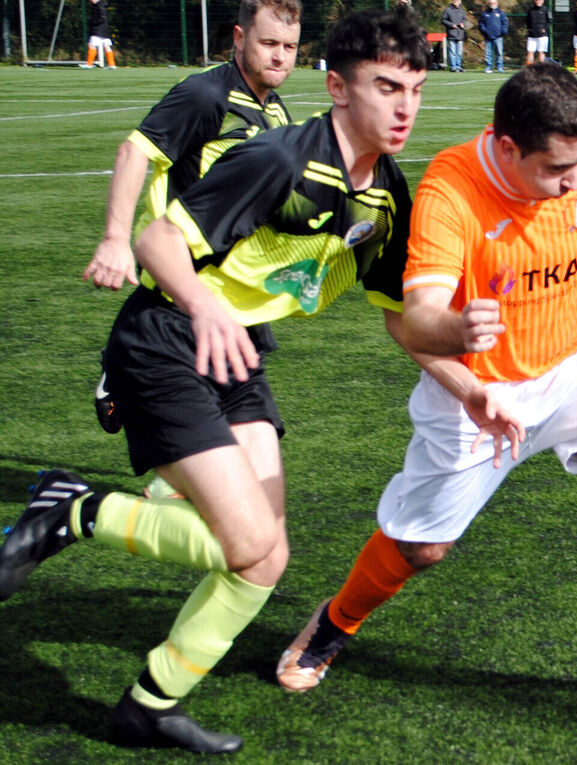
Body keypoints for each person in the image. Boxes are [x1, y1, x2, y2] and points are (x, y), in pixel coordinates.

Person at [0, 8, 444, 754]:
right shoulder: (268, 148)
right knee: (242, 538)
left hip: (233, 348)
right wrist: (195, 297)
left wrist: (471, 372)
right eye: (386, 86)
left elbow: (402, 317)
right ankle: (71, 508)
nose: (404, 107)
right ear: (337, 87)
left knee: (265, 556)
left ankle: (150, 702)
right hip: (170, 332)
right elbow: (153, 234)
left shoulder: (385, 193)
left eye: (416, 90)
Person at [276, 62, 577, 696]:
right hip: (480, 394)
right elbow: (414, 319)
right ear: (508, 148)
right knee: (422, 549)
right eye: (557, 171)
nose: (574, 183)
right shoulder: (450, 194)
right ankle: (335, 621)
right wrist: (464, 350)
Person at [81, 0, 302, 439]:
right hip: (184, 284)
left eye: (290, 46)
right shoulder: (207, 96)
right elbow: (135, 150)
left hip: (236, 288)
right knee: (218, 441)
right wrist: (114, 239)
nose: (279, 56)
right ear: (240, 39)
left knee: (232, 437)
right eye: (269, 43)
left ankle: (124, 369)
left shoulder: (276, 111)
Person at [84, 0, 116, 68]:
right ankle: (112, 64)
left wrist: (95, 23)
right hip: (104, 30)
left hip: (98, 30)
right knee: (107, 46)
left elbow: (102, 18)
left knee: (91, 45)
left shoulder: (99, 6)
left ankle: (89, 64)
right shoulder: (100, 5)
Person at [480, 0, 509, 72]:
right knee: (488, 53)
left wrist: (503, 32)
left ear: (497, 4)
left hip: (498, 37)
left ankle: (499, 67)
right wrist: (484, 31)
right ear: (489, 4)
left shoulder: (501, 13)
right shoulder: (485, 13)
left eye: (494, 3)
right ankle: (488, 67)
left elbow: (505, 23)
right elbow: (481, 24)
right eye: (491, 3)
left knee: (499, 53)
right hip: (488, 37)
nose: (492, 4)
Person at [442, 0, 468, 71]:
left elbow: (465, 20)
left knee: (459, 52)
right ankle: (453, 67)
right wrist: (451, 25)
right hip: (451, 33)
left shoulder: (462, 11)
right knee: (452, 51)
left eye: (457, 0)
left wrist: (463, 23)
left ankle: (458, 66)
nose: (456, 1)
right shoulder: (448, 10)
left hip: (460, 33)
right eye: (455, 0)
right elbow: (443, 20)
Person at [526, 0, 552, 64]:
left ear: (543, 1)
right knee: (530, 52)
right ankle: (529, 69)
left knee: (541, 52)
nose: (538, 1)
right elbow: (527, 21)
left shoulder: (546, 10)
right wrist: (529, 29)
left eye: (540, 0)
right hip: (532, 35)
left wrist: (544, 29)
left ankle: (541, 69)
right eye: (537, 0)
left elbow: (550, 21)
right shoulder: (530, 10)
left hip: (542, 36)